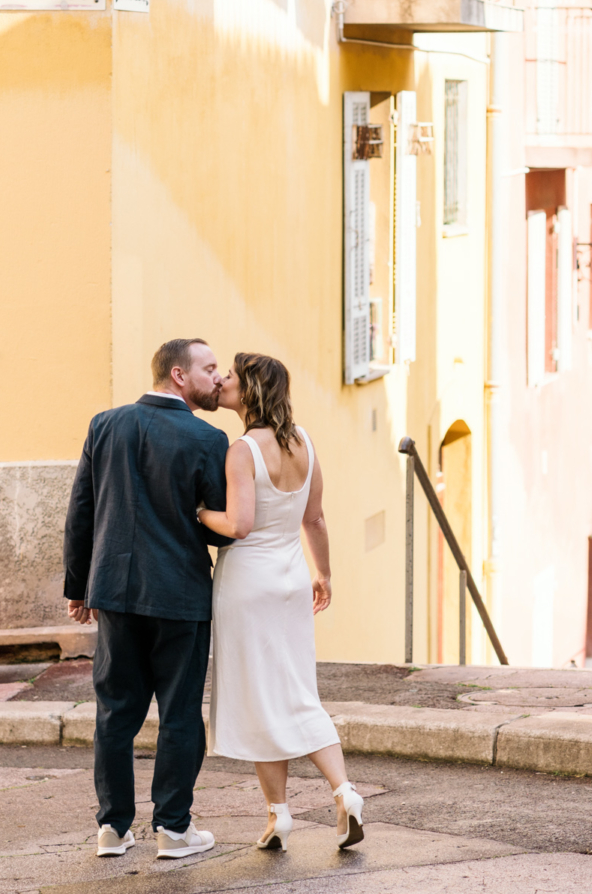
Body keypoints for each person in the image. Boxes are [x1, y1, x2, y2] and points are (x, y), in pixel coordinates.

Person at [63, 338, 231, 860]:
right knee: (179, 713)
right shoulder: (208, 437)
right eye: (208, 369)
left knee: (115, 712)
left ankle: (112, 829)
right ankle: (173, 829)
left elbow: (81, 511)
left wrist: (78, 587)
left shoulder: (104, 424)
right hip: (179, 592)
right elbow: (223, 528)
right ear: (178, 376)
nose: (217, 379)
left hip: (112, 591)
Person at [198, 351, 365, 851]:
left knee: (258, 696)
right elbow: (313, 519)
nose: (223, 380)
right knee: (295, 691)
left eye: (231, 375)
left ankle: (282, 812)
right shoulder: (305, 442)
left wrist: (201, 512)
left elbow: (238, 525)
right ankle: (336, 794)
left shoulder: (242, 450)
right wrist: (325, 574)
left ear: (249, 391)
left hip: (248, 583)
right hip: (292, 577)